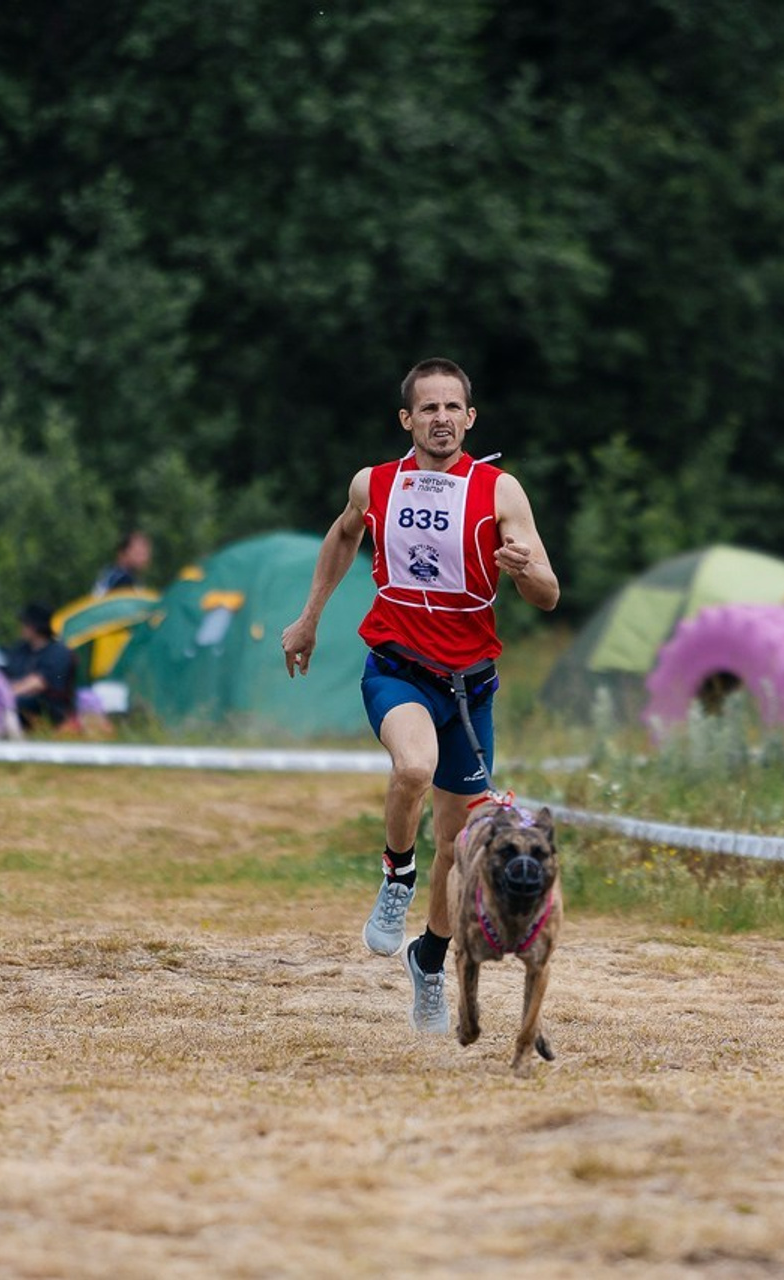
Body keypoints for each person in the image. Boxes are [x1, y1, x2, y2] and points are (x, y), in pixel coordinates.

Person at [280, 357, 559, 1034]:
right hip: (398, 667)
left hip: (470, 686)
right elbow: (344, 535)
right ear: (408, 420)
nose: (440, 419)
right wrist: (309, 617)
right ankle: (394, 876)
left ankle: (429, 959)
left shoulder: (500, 491)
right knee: (412, 767)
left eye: (451, 408)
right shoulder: (374, 483)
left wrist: (524, 572)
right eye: (426, 409)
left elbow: (549, 594)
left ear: (470, 417)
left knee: (458, 847)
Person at [5, 603, 77, 728]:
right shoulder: (21, 649)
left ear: (36, 627)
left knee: (14, 703)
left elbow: (38, 683)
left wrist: (2, 695)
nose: (22, 628)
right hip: (19, 700)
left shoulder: (58, 653)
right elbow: (7, 674)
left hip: (49, 709)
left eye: (25, 624)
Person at [92, 530, 152, 596]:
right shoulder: (123, 580)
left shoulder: (109, 573)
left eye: (146, 553)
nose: (145, 558)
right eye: (139, 553)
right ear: (122, 553)